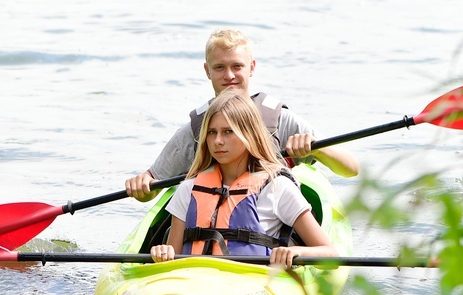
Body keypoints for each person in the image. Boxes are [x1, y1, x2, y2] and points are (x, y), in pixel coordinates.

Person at [125, 29, 359, 202]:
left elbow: (350, 169)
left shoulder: (280, 121)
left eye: (237, 66)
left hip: (270, 226)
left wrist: (316, 148)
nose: (229, 75)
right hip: (212, 231)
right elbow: (151, 189)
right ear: (207, 71)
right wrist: (143, 185)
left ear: (252, 68)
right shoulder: (196, 131)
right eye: (219, 68)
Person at [149, 90, 338, 267]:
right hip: (196, 282)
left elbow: (330, 254)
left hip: (254, 285)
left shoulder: (277, 187)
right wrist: (163, 252)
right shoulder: (188, 189)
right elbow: (172, 257)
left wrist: (297, 252)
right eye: (212, 132)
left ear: (250, 135)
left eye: (228, 132)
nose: (218, 141)